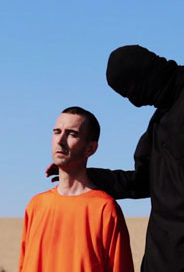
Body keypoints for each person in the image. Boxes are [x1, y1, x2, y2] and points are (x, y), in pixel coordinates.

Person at [49, 46, 184, 272]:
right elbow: (142, 183)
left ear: (146, 70)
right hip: (162, 255)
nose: (133, 100)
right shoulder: (158, 123)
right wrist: (83, 174)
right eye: (125, 95)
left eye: (131, 89)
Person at [19, 106, 134, 272]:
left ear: (90, 148)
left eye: (71, 134)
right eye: (57, 132)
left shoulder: (105, 209)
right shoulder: (36, 205)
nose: (60, 140)